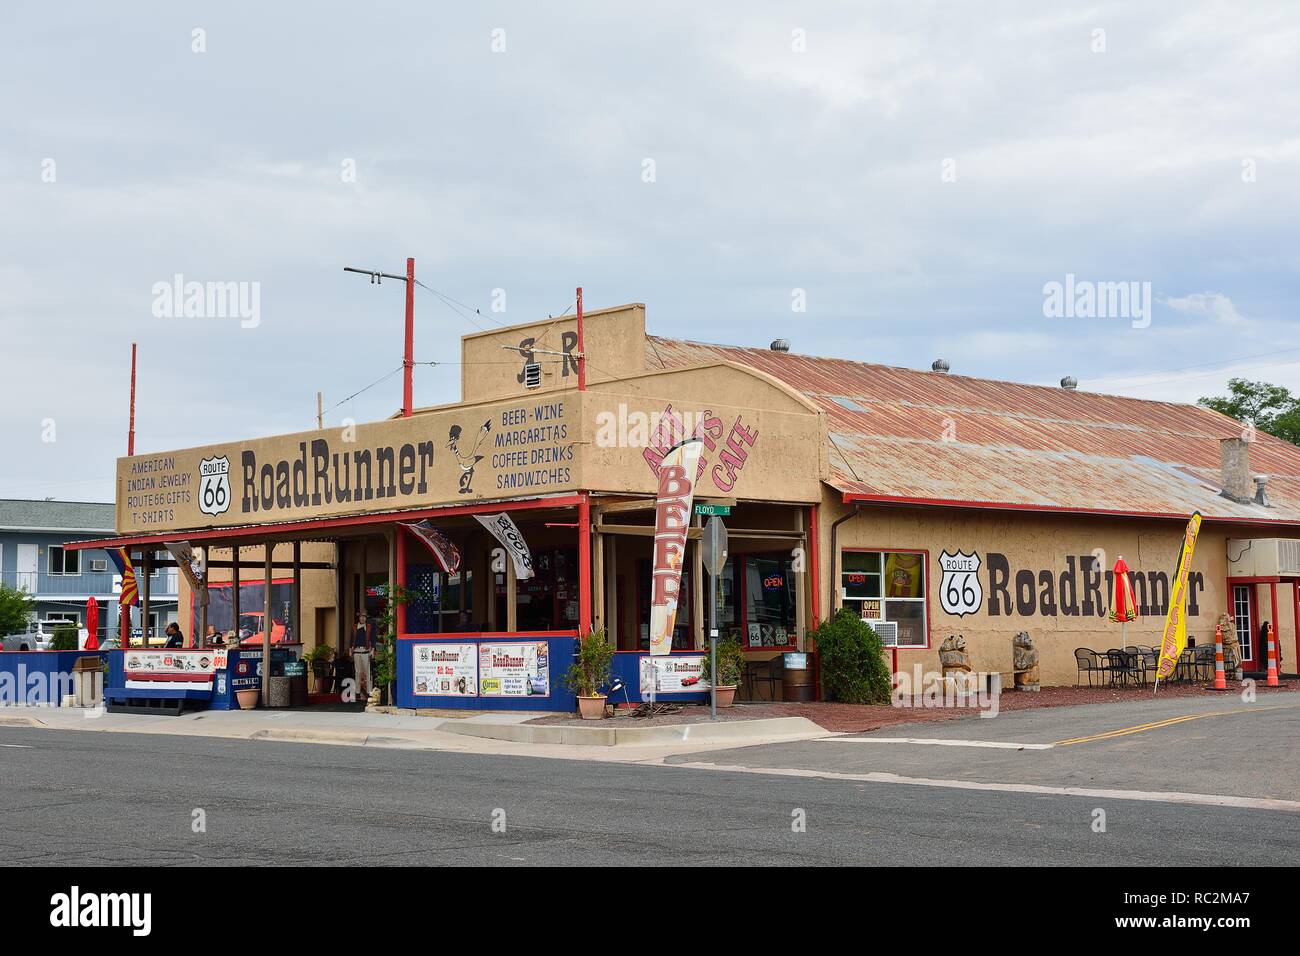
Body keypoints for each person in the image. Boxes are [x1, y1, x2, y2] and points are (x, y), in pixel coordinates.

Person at [351, 613, 372, 699]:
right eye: (361, 617)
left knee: (367, 672)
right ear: (359, 618)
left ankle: (369, 692)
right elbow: (351, 638)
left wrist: (373, 649)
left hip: (365, 651)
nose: (362, 618)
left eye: (364, 617)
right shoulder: (355, 627)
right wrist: (350, 649)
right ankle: (357, 692)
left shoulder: (369, 627)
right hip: (356, 650)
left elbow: (372, 638)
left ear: (366, 618)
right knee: (358, 672)